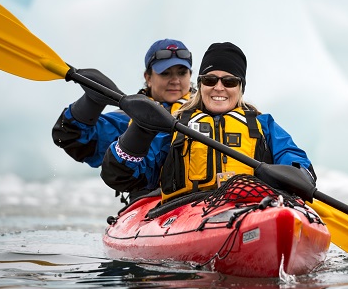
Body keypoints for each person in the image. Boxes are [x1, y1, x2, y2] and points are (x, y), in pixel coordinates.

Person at [101, 42, 316, 201]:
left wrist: (297, 173)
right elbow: (126, 177)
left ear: (241, 87)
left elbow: (293, 157)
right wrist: (140, 130)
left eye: (230, 81)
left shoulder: (263, 125)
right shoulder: (174, 126)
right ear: (201, 84)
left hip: (250, 206)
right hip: (185, 210)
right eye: (211, 80)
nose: (219, 88)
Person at [52, 39, 195, 196]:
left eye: (182, 73)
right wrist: (91, 102)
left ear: (190, 75)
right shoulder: (126, 120)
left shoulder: (207, 116)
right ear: (148, 77)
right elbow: (70, 136)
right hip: (150, 203)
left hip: (201, 201)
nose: (175, 80)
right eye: (165, 73)